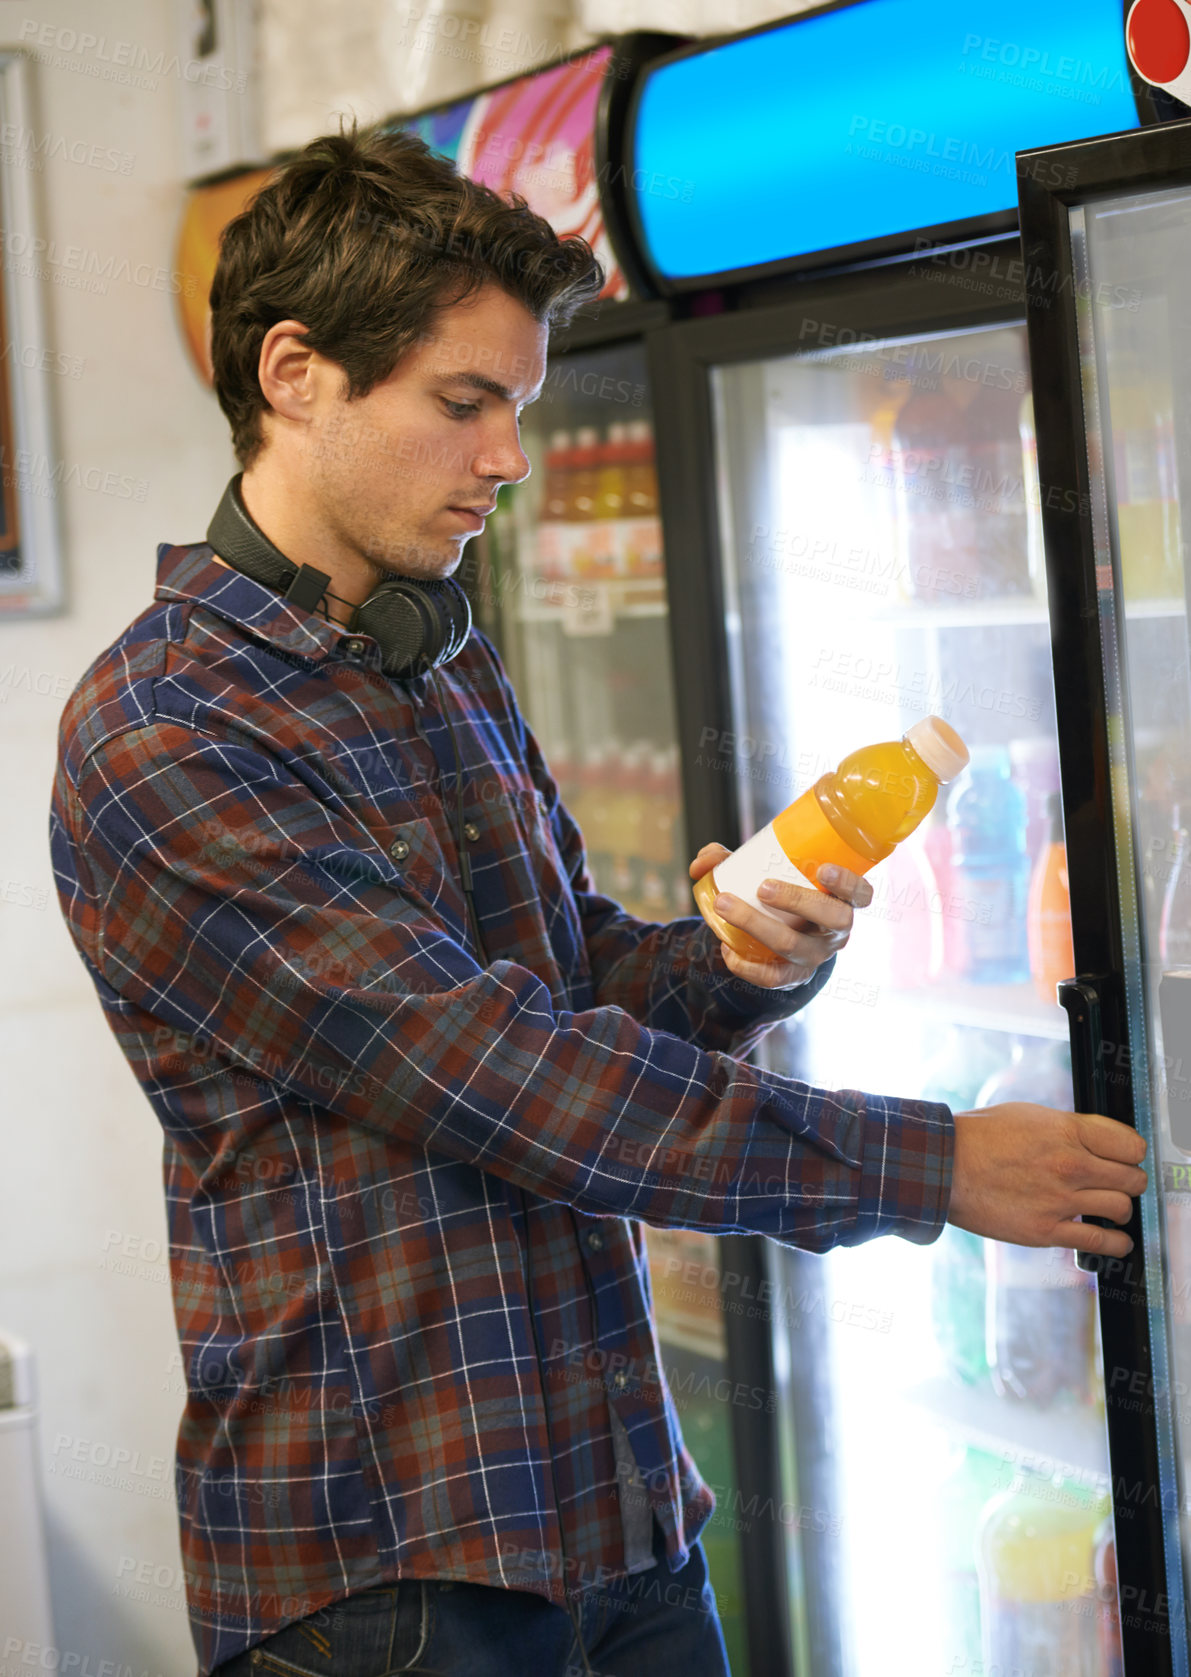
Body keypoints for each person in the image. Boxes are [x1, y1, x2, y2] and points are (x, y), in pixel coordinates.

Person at [49, 125, 1147, 1677]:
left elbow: (573, 986)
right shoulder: (166, 734)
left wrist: (740, 958)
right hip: (391, 1574)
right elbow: (509, 1077)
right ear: (296, 374)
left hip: (614, 1504)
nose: (507, 455)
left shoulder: (440, 647)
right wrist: (936, 1163)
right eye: (463, 402)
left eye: (524, 407)